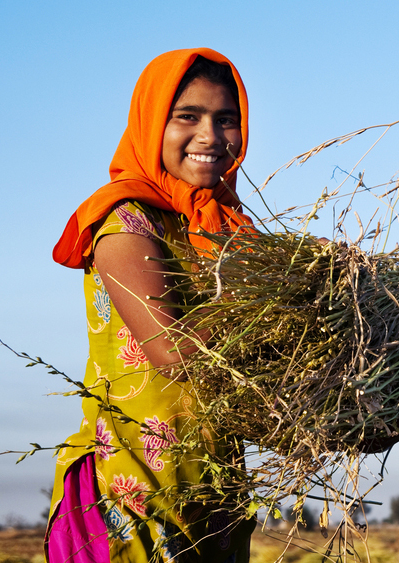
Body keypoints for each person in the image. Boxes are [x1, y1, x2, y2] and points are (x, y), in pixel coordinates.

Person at [47, 48, 255, 563]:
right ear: (151, 123)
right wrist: (291, 302)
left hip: (213, 502)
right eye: (187, 116)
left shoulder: (230, 234)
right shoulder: (125, 220)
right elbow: (172, 349)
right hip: (128, 502)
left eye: (225, 119)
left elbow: (265, 368)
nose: (210, 136)